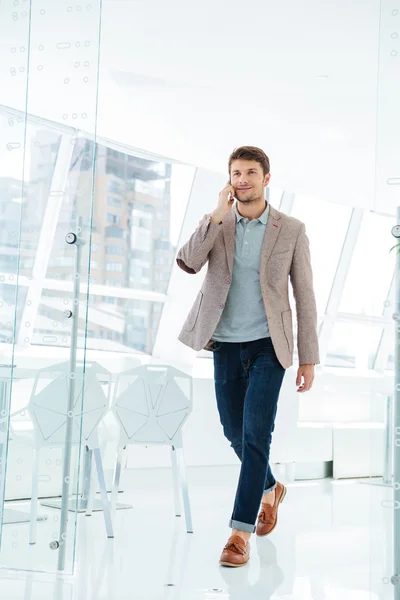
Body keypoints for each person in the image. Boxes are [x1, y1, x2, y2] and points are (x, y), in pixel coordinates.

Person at [176, 146, 320, 567]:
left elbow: (305, 295)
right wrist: (214, 216)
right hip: (224, 341)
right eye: (236, 173)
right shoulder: (218, 224)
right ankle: (271, 488)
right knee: (232, 431)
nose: (242, 180)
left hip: (268, 345)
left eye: (250, 173)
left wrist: (308, 356)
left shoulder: (290, 229)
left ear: (266, 178)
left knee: (257, 434)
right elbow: (187, 261)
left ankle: (239, 533)